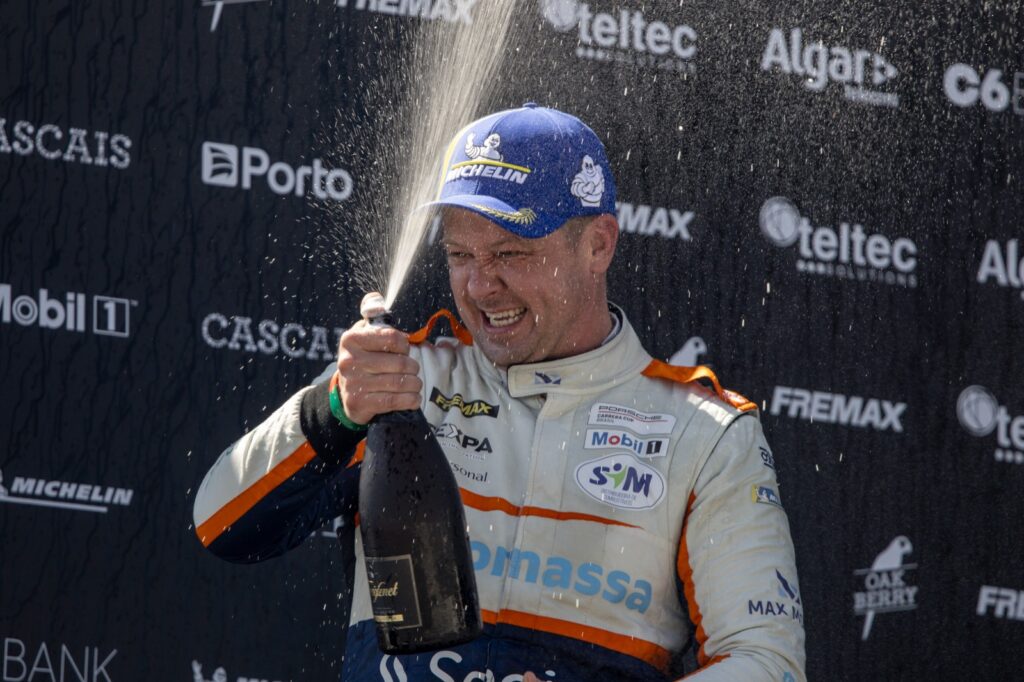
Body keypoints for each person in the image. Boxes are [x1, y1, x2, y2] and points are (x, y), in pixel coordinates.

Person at [193, 103, 806, 681]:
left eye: (512, 252)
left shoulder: (707, 434)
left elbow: (766, 663)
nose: (481, 285)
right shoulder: (402, 381)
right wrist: (334, 413)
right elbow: (220, 527)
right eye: (461, 254)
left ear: (598, 244)